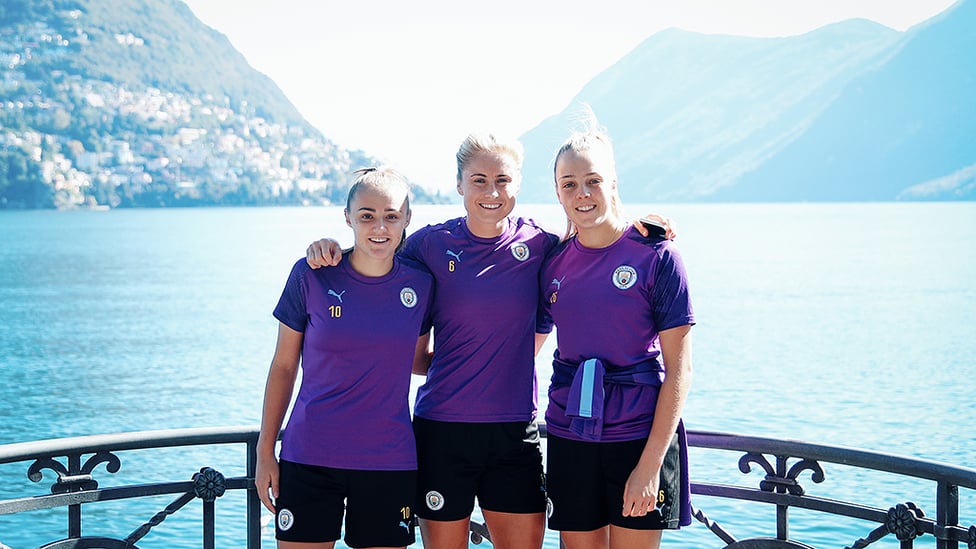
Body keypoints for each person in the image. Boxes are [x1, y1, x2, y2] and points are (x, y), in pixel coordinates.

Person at [305, 133, 675, 549]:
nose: (491, 191)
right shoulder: (427, 245)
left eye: (502, 179)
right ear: (459, 184)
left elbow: (596, 245)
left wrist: (645, 229)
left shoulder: (543, 245)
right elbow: (374, 253)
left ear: (518, 184)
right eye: (478, 180)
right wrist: (329, 249)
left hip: (514, 435)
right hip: (441, 432)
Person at [255, 167, 434, 549]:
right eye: (367, 215)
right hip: (309, 457)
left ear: (407, 219)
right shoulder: (312, 275)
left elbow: (418, 361)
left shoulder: (421, 283)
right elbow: (284, 366)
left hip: (390, 460)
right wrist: (264, 451)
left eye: (391, 216)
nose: (379, 227)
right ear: (348, 218)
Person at [539, 122, 694, 549]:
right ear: (557, 193)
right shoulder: (550, 263)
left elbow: (680, 371)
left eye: (593, 181)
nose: (582, 194)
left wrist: (650, 464)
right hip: (571, 436)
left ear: (613, 183)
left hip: (638, 439)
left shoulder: (657, 256)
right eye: (569, 184)